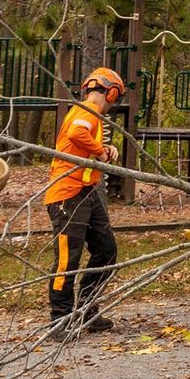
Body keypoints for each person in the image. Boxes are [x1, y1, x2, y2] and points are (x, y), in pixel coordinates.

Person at [46, 66, 124, 340]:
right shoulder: (85, 111)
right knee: (68, 261)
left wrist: (107, 150)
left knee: (106, 251)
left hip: (87, 192)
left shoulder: (93, 116)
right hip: (67, 195)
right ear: (112, 93)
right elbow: (77, 134)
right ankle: (60, 320)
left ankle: (86, 309)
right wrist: (101, 150)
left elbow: (86, 144)